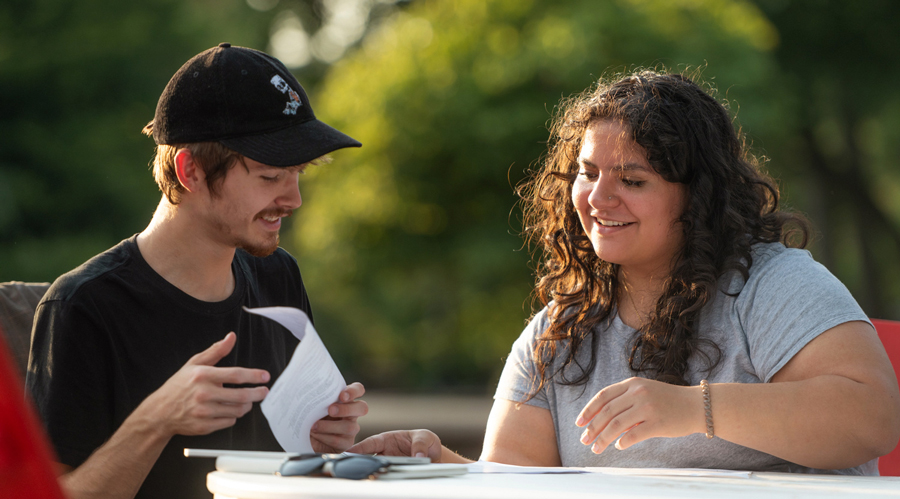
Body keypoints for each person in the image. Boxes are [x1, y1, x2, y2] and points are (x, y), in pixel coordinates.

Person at [350, 71, 900, 474]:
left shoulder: (772, 284)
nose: (598, 198)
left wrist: (693, 408)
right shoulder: (556, 332)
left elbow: (873, 418)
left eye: (632, 181)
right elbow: (514, 481)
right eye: (588, 173)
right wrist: (439, 465)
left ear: (699, 197)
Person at [26, 43, 368, 499]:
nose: (294, 199)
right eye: (270, 177)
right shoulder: (83, 306)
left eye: (298, 173)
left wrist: (318, 445)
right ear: (191, 171)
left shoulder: (278, 276)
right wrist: (157, 420)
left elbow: (279, 471)